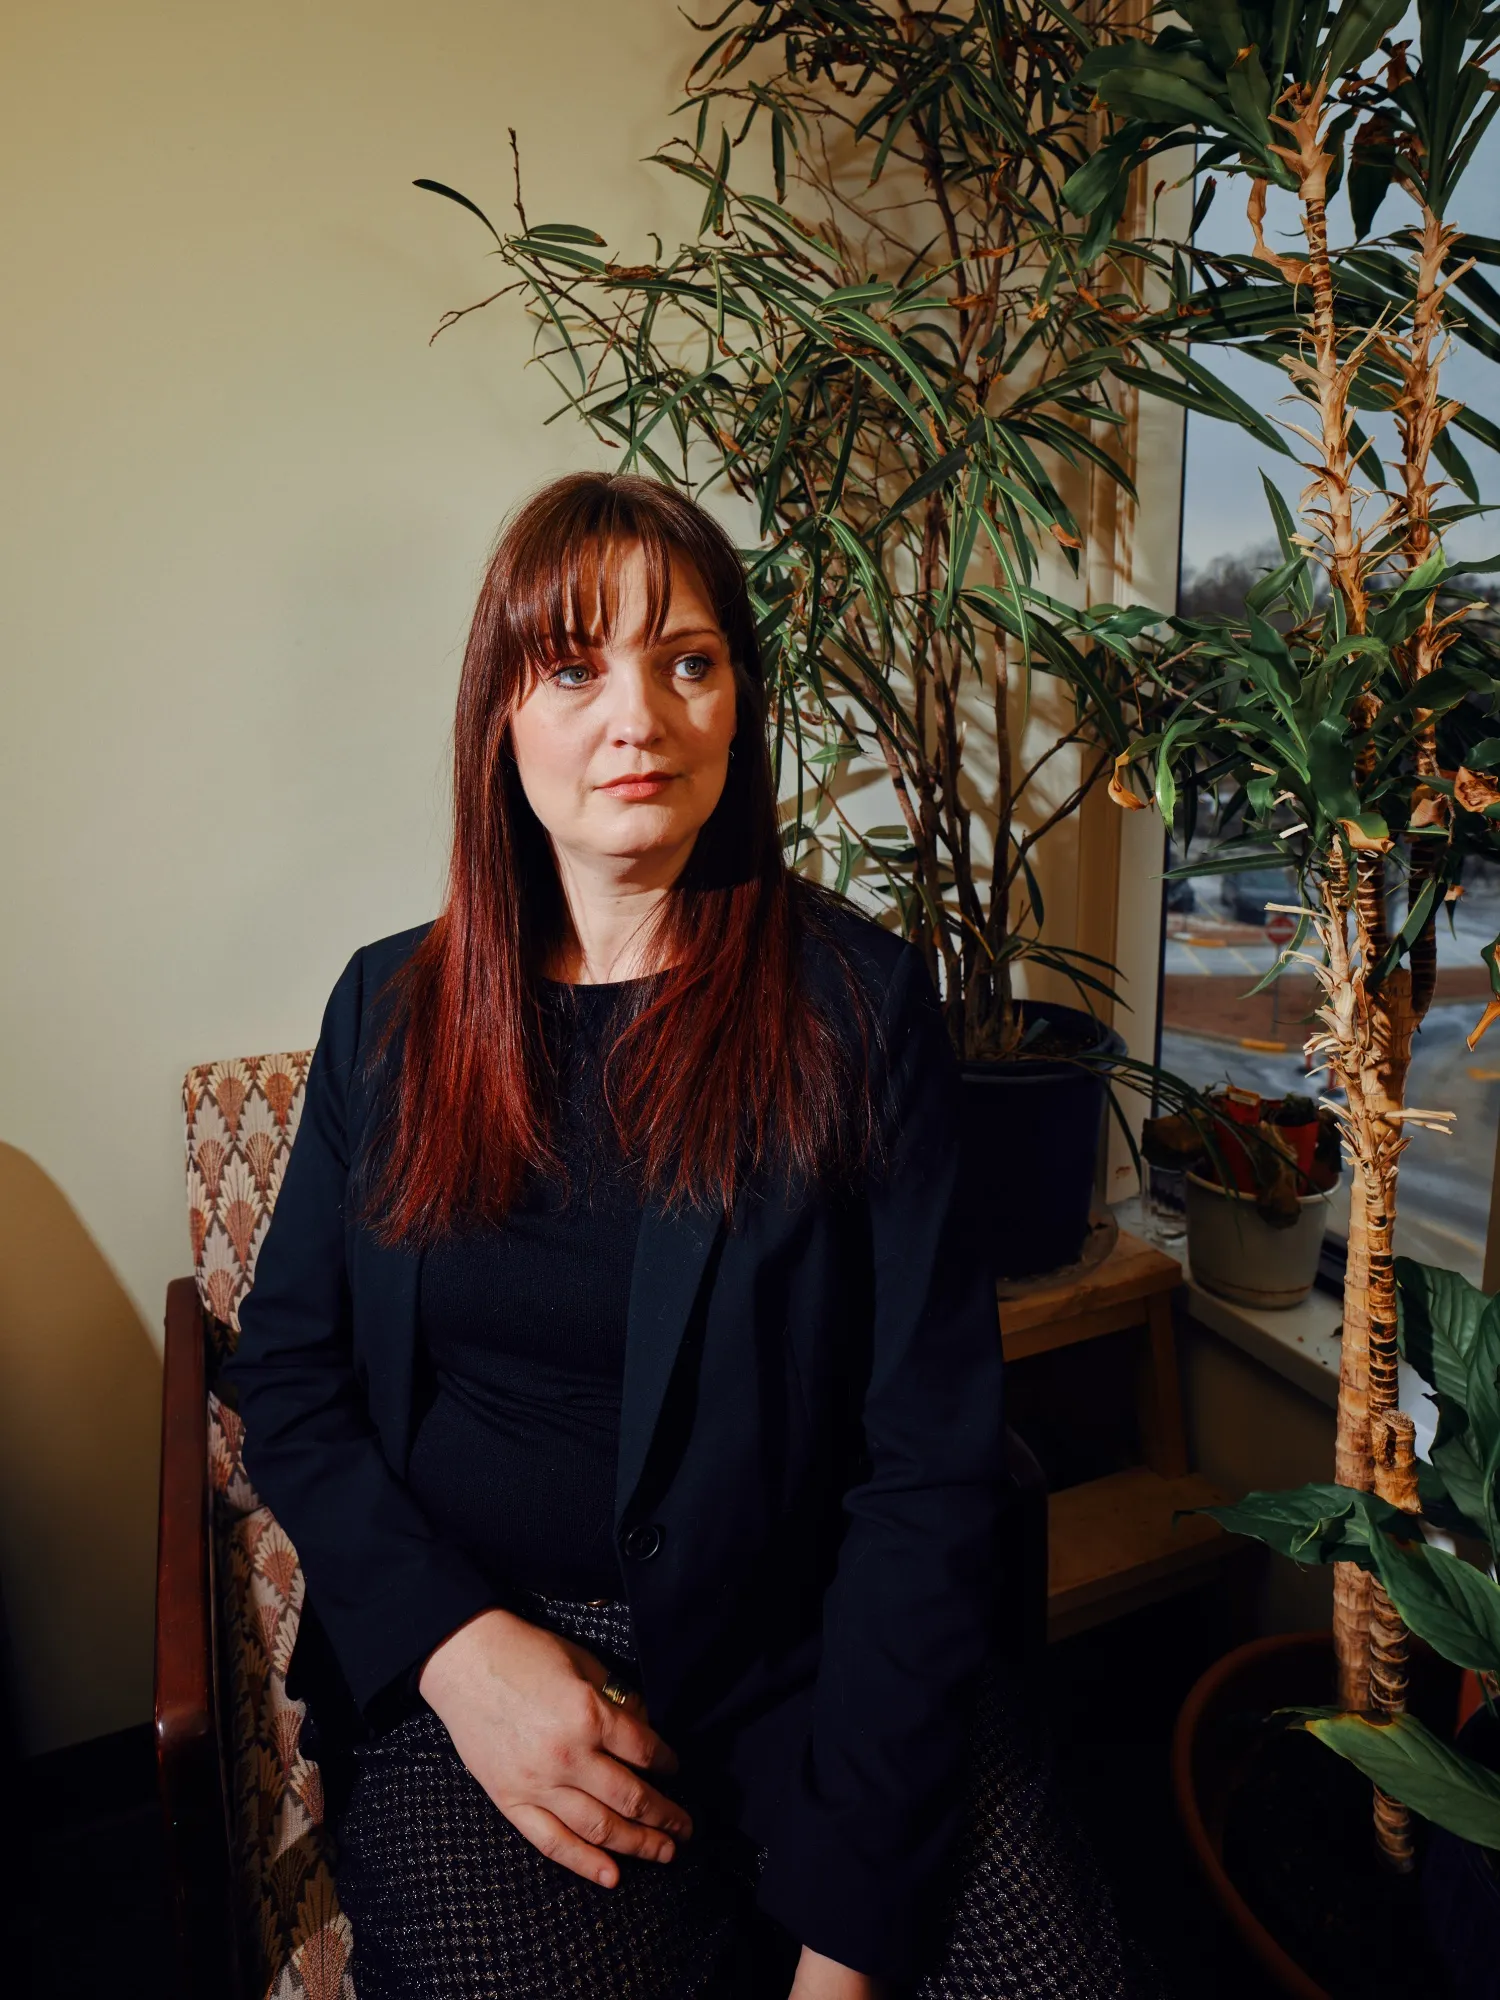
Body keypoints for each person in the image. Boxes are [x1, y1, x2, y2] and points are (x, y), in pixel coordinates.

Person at [226, 472, 1145, 2000]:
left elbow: (929, 1466)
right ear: (499, 716)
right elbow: (292, 1376)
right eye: (574, 669)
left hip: (817, 1643)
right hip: (499, 1635)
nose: (636, 718)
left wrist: (847, 1952)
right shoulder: (387, 1012)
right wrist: (457, 1651)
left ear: (739, 707)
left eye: (688, 661)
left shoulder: (858, 1008)